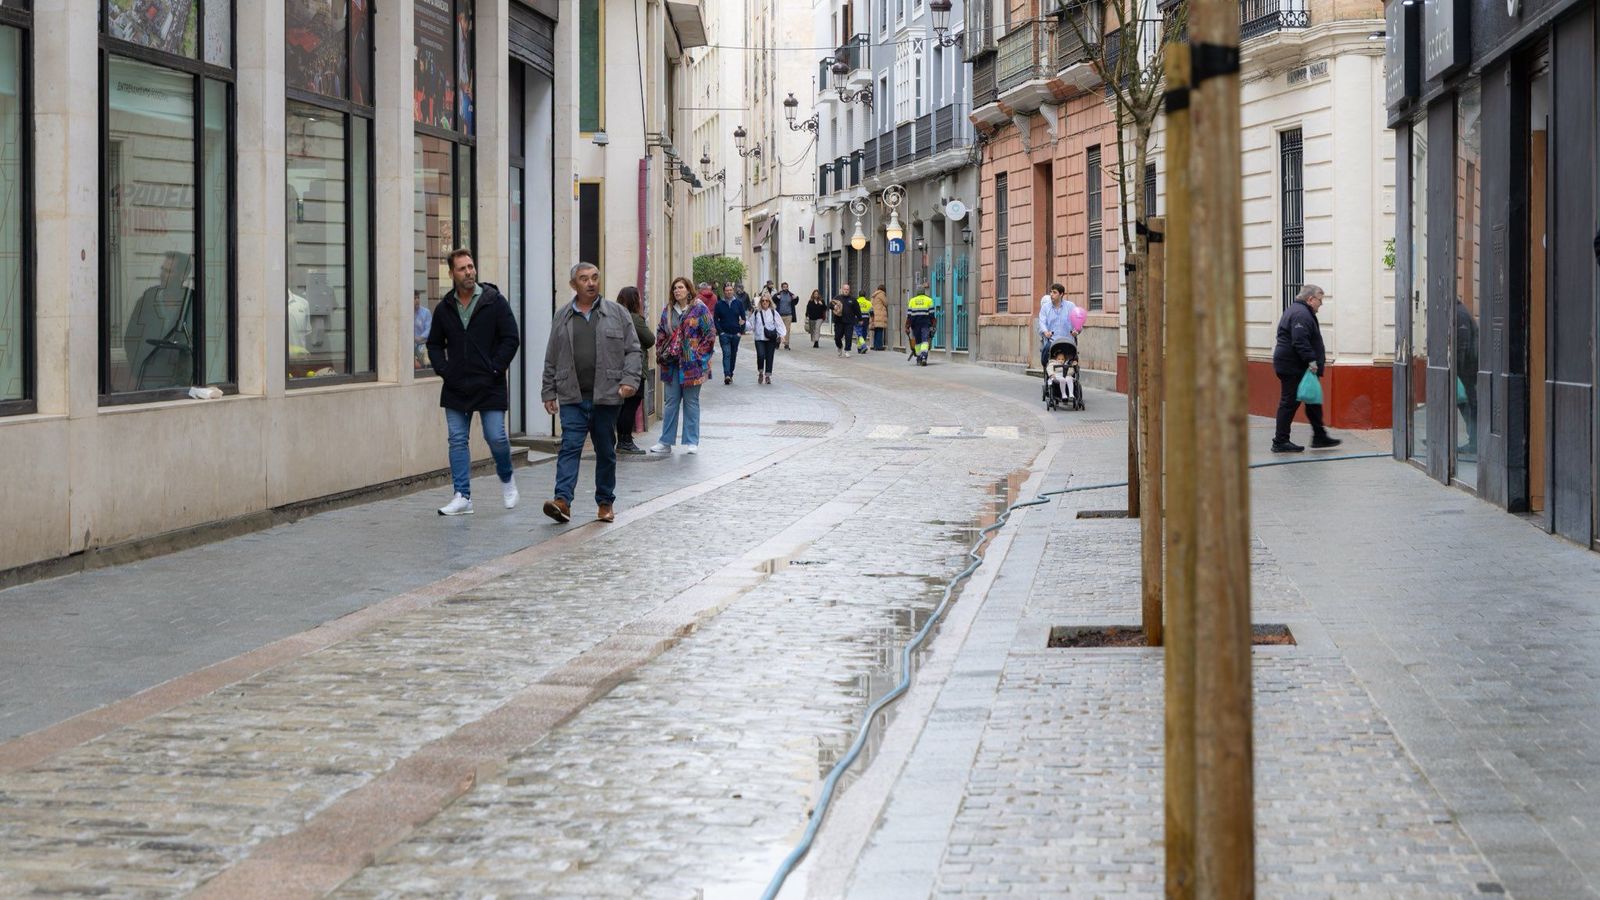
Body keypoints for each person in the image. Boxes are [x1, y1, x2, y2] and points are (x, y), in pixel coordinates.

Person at [539, 261, 642, 523]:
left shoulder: (617, 313)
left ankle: (605, 502)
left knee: (605, 450)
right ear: (573, 284)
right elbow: (552, 356)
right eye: (584, 279)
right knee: (569, 448)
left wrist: (629, 380)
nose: (591, 283)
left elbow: (633, 350)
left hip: (607, 396)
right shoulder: (562, 316)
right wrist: (548, 391)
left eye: (595, 277)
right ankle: (562, 501)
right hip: (572, 395)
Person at [426, 249, 522, 516]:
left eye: (470, 266)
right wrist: (445, 370)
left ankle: (507, 479)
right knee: (457, 440)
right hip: (456, 385)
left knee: (496, 436)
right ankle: (462, 496)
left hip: (490, 382)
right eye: (462, 268)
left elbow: (511, 338)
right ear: (451, 274)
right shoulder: (445, 308)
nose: (469, 272)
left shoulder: (494, 301)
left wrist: (495, 367)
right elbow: (434, 344)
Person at [1271, 283, 1342, 453]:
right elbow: (1300, 340)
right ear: (1310, 299)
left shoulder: (1300, 311)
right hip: (1293, 366)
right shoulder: (1301, 314)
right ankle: (1280, 441)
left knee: (1313, 400)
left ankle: (1319, 436)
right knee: (1289, 402)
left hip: (1296, 365)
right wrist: (1311, 361)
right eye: (1320, 300)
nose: (1321, 304)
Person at [651, 277, 718, 454]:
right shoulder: (668, 310)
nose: (677, 291)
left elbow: (710, 334)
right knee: (671, 402)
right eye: (675, 288)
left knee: (691, 402)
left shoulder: (699, 309)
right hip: (671, 364)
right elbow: (661, 332)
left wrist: (699, 356)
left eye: (680, 287)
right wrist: (660, 350)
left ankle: (691, 441)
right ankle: (665, 441)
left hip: (692, 364)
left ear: (688, 290)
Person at [614, 286, 656, 455]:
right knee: (631, 406)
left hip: (618, 367)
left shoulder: (615, 316)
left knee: (623, 406)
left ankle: (623, 439)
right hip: (635, 368)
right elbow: (650, 339)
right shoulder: (634, 319)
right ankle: (625, 441)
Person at [1036, 283, 1081, 373]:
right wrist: (1045, 332)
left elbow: (1078, 321)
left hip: (1067, 341)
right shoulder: (1045, 307)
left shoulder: (1070, 306)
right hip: (1052, 341)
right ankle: (1047, 370)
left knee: (1073, 357)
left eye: (1054, 292)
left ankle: (1073, 372)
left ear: (1061, 294)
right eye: (1051, 292)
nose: (1051, 294)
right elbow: (1042, 322)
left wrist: (1076, 330)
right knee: (1045, 352)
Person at [1454, 296, 1479, 453]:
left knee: (1467, 404)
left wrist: (1457, 371)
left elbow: (1461, 346)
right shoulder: (1460, 312)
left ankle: (1475, 442)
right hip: (1467, 369)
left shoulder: (1459, 314)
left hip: (1467, 370)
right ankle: (1474, 441)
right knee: (1466, 403)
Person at [748, 291, 788, 384]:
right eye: (763, 301)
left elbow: (779, 324)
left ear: (769, 302)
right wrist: (743, 326)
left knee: (770, 356)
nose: (765, 302)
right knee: (761, 355)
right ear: (760, 302)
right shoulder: (757, 312)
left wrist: (782, 335)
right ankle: (760, 372)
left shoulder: (773, 312)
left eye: (766, 301)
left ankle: (768, 376)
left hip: (771, 338)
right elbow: (750, 323)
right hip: (759, 338)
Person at [714, 283, 747, 384]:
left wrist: (740, 332)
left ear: (733, 291)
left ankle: (730, 373)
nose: (728, 292)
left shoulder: (738, 303)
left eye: (730, 290)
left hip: (736, 334)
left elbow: (743, 318)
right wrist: (720, 332)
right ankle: (727, 375)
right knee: (726, 353)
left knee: (733, 354)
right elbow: (715, 319)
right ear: (724, 292)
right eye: (727, 290)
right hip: (724, 334)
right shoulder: (719, 304)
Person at [905, 289, 936, 365]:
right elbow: (932, 315)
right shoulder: (929, 300)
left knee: (918, 341)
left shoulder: (912, 300)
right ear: (924, 293)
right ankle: (924, 357)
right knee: (924, 340)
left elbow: (909, 316)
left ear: (917, 293)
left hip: (915, 324)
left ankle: (919, 358)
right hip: (925, 324)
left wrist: (907, 326)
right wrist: (933, 325)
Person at [831, 282, 858, 357]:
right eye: (845, 289)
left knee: (848, 337)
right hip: (839, 321)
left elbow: (857, 310)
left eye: (847, 289)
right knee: (837, 337)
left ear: (849, 290)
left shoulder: (853, 299)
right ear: (842, 290)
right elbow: (830, 305)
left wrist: (860, 319)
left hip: (849, 322)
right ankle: (840, 347)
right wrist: (834, 307)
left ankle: (847, 350)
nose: (846, 290)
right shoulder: (837, 298)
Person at [774, 281, 798, 349]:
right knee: (779, 330)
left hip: (788, 315)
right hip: (780, 315)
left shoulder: (790, 295)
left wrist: (796, 298)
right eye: (784, 287)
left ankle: (786, 344)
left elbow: (795, 302)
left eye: (786, 287)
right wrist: (776, 297)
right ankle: (777, 342)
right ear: (782, 288)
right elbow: (773, 300)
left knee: (787, 330)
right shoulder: (779, 294)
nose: (785, 288)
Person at [412, 290, 432, 369]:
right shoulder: (407, 313)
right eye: (414, 298)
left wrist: (419, 338)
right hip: (410, 345)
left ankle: (427, 366)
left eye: (418, 298)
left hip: (423, 343)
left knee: (425, 352)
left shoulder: (426, 312)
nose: (417, 300)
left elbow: (429, 329)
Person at [870, 284, 889, 351]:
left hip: (875, 315)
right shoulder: (881, 294)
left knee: (876, 331)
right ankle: (879, 346)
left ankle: (875, 345)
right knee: (880, 331)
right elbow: (886, 303)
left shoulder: (874, 295)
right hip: (880, 315)